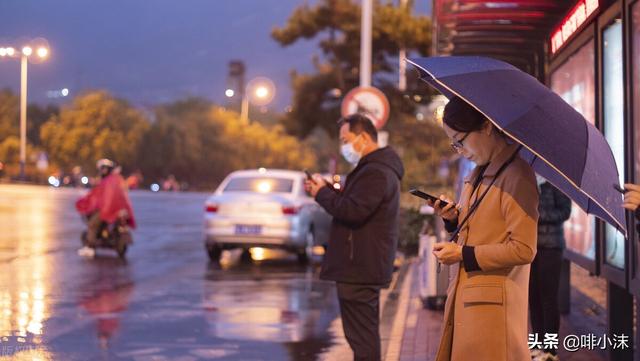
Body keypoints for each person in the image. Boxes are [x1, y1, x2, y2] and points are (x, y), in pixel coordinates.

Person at [427, 97, 539, 361]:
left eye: (461, 140)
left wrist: (462, 254)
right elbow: (482, 228)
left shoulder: (517, 176)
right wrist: (453, 219)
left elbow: (524, 249)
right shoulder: (479, 172)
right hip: (470, 302)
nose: (459, 150)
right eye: (454, 144)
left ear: (487, 126)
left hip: (493, 312)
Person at [305, 113, 404, 361]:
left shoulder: (376, 172)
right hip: (361, 265)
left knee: (362, 339)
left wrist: (321, 195)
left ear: (362, 137)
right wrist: (328, 190)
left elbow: (353, 211)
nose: (344, 146)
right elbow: (354, 202)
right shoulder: (374, 169)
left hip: (359, 267)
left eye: (346, 139)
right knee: (361, 337)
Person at [529, 178, 572, 361]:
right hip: (529, 248)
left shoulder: (557, 182)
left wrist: (538, 214)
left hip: (551, 247)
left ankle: (551, 350)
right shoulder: (527, 182)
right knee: (533, 298)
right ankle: (536, 347)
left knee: (548, 298)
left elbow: (565, 212)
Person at [76, 159, 136, 256]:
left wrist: (87, 203)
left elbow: (100, 198)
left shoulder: (108, 181)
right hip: (119, 210)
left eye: (104, 169)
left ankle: (90, 248)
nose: (103, 171)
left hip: (108, 211)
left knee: (92, 225)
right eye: (102, 169)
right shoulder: (117, 179)